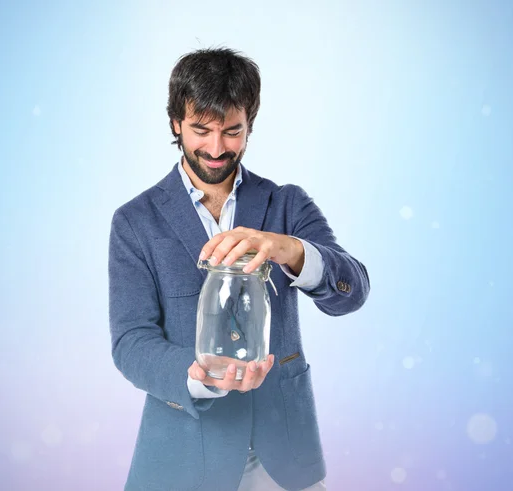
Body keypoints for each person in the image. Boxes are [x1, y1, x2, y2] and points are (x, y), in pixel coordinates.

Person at [108, 47, 370, 491]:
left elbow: (353, 290)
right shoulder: (136, 221)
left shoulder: (286, 204)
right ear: (175, 123)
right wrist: (196, 375)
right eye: (200, 130)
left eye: (232, 131)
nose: (215, 148)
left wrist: (288, 248)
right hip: (181, 457)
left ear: (250, 125)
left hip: (285, 456)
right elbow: (130, 341)